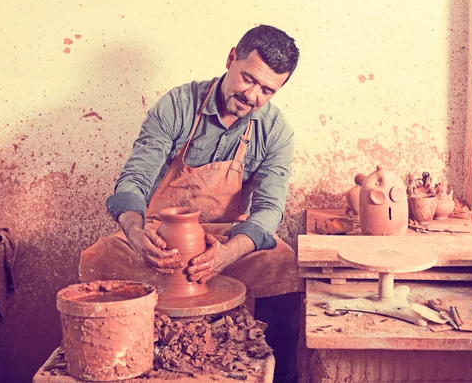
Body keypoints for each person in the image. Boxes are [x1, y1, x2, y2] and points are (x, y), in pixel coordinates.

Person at [79, 24, 304, 383]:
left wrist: (228, 254)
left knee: (283, 263)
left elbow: (269, 210)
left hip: (224, 241)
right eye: (248, 79)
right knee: (99, 256)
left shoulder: (275, 131)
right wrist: (137, 235)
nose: (253, 96)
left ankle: (280, 377)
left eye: (267, 90)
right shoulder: (178, 106)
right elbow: (134, 179)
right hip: (158, 237)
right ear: (231, 58)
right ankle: (111, 367)